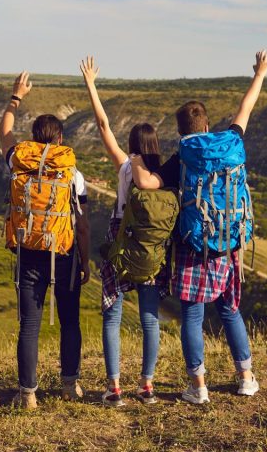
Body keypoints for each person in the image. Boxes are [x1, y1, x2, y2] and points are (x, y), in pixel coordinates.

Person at [131, 49, 267, 404]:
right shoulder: (231, 142)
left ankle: (198, 387)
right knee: (229, 310)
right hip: (230, 242)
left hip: (195, 245)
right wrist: (259, 74)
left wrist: (135, 160)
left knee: (192, 315)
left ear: (181, 132)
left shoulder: (183, 157)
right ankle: (245, 377)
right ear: (208, 125)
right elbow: (246, 108)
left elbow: (149, 185)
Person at [79, 56, 170, 406]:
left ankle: (114, 387)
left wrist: (91, 84)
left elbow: (103, 127)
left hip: (120, 242)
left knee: (112, 315)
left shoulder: (125, 168)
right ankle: (146, 386)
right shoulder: (165, 174)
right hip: (152, 246)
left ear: (133, 145)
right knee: (150, 318)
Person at [0, 71, 92, 409]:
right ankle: (70, 385)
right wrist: (85, 259)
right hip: (63, 252)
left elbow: (4, 132)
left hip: (28, 251)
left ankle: (28, 395)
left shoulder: (19, 164)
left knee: (29, 325)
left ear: (35, 139)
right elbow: (81, 224)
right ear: (61, 138)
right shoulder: (72, 174)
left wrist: (16, 96)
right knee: (69, 321)